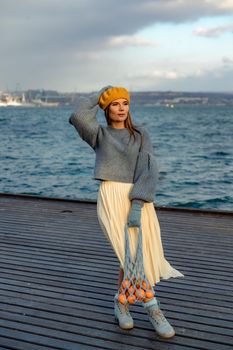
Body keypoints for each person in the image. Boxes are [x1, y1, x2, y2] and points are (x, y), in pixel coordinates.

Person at [69, 86, 184, 339]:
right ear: (106, 108)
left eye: (125, 103)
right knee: (126, 253)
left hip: (137, 197)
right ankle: (152, 306)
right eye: (114, 104)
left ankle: (121, 302)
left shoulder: (140, 133)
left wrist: (139, 202)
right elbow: (78, 115)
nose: (121, 108)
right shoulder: (99, 134)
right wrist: (98, 95)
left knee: (135, 255)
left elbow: (149, 169)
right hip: (111, 196)